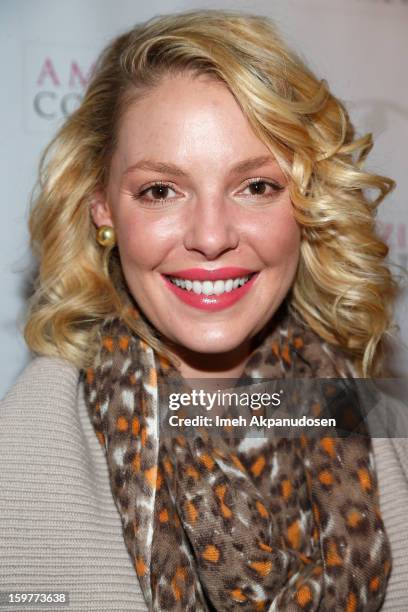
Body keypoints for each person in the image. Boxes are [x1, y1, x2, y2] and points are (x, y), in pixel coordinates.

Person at [1, 8, 407, 611]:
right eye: (161, 190)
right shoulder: (29, 458)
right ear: (102, 208)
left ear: (307, 205)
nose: (212, 237)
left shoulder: (371, 419)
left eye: (257, 186)